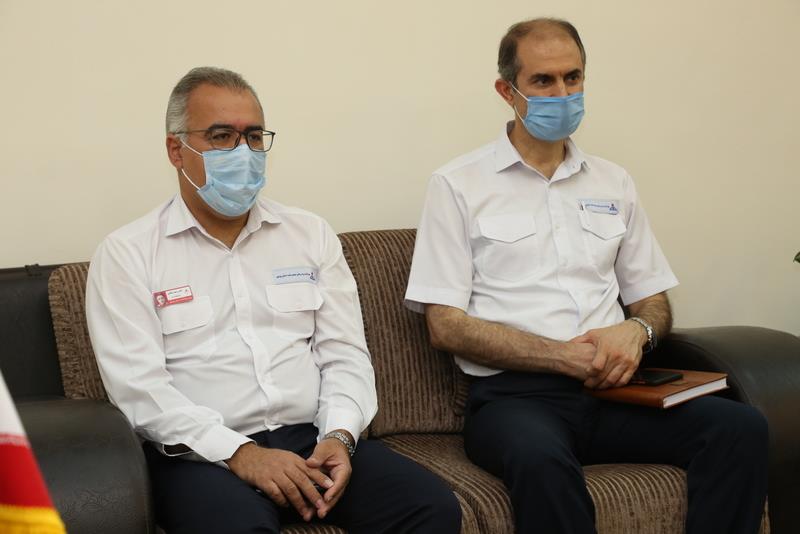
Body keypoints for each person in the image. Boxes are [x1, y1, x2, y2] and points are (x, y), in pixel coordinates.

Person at [405, 18, 768, 534]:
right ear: (507, 91)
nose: (562, 93)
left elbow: (652, 301)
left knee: (740, 427)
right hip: (515, 400)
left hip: (617, 393)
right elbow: (445, 325)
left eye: (572, 77)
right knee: (540, 459)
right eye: (543, 80)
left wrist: (637, 331)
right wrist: (561, 356)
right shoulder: (457, 185)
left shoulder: (613, 181)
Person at [86, 66, 461, 534]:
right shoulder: (128, 253)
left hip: (311, 439)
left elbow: (345, 355)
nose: (242, 152)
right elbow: (140, 391)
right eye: (221, 136)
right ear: (176, 150)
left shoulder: (309, 233)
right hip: (199, 456)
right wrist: (241, 453)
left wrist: (340, 436)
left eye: (253, 136)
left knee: (431, 507)